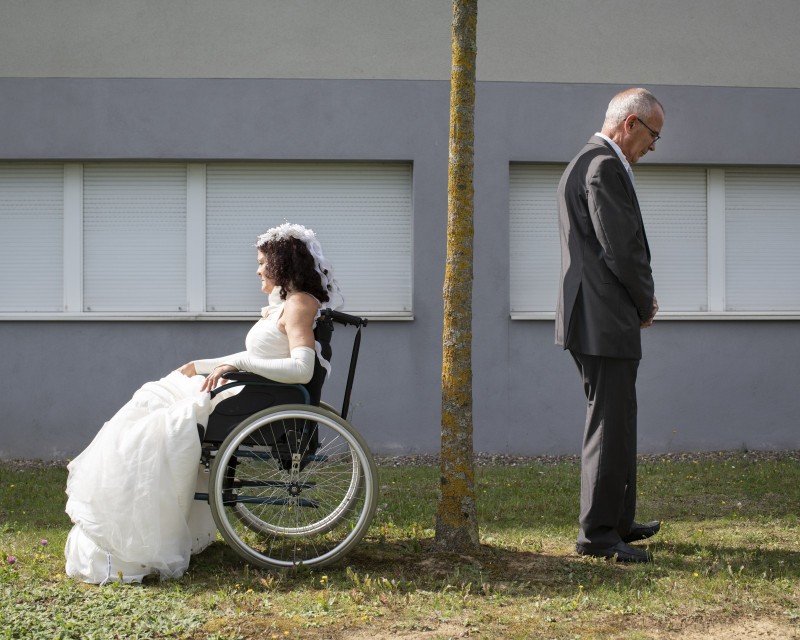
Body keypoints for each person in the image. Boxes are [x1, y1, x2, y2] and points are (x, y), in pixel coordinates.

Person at [64, 222, 341, 583]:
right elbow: (259, 353)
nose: (257, 270)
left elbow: (301, 369)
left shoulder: (300, 304)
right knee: (150, 400)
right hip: (247, 392)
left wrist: (235, 364)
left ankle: (138, 531)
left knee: (148, 426)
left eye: (262, 262)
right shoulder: (287, 304)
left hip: (256, 400)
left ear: (281, 263)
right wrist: (205, 364)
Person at [555, 88, 664, 563]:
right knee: (608, 422)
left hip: (597, 316)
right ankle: (597, 536)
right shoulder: (602, 165)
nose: (654, 146)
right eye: (653, 135)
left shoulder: (589, 161)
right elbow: (620, 249)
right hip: (603, 317)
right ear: (631, 124)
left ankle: (617, 521)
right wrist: (645, 302)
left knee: (619, 420)